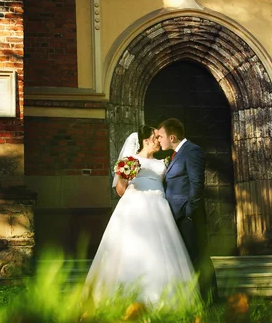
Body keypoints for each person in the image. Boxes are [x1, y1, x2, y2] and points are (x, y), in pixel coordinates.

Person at [83, 125, 199, 307]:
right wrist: (123, 175)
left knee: (161, 249)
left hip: (159, 207)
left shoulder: (163, 164)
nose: (159, 140)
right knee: (131, 246)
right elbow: (121, 191)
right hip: (135, 205)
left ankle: (165, 299)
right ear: (146, 140)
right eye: (155, 137)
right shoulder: (131, 160)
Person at [156, 118, 218, 303]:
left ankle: (210, 300)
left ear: (172, 136)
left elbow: (197, 184)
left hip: (189, 217)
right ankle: (198, 299)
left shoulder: (192, 151)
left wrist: (190, 212)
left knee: (199, 258)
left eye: (160, 136)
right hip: (178, 217)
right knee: (189, 259)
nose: (158, 140)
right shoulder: (176, 154)